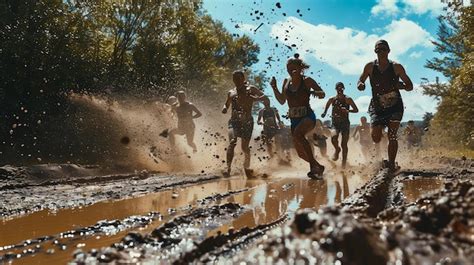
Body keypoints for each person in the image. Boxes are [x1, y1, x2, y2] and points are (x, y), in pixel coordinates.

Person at [357, 40, 413, 172]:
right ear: (375, 52)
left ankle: (391, 164)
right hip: (378, 107)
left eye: (383, 49)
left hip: (395, 105)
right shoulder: (370, 67)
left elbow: (410, 86)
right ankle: (382, 151)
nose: (381, 52)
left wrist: (402, 86)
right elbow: (361, 79)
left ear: (388, 51)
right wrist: (361, 84)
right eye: (378, 50)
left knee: (392, 135)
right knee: (375, 137)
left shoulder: (396, 67)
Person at [271, 54, 326, 178]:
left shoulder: (307, 80)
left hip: (308, 117)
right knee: (301, 154)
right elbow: (281, 100)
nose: (291, 70)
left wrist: (314, 92)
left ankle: (313, 167)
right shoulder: (286, 81)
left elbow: (322, 93)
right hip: (294, 120)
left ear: (300, 68)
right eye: (288, 68)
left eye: (294, 67)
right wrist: (274, 87)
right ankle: (318, 166)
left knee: (298, 134)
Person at [222, 70, 265, 177]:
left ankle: (247, 168)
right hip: (234, 121)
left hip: (247, 122)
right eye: (234, 78)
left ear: (243, 78)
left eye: (238, 78)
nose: (236, 80)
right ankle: (228, 168)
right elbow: (226, 104)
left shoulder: (251, 89)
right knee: (232, 142)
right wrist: (224, 109)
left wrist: (256, 98)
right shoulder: (231, 92)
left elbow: (264, 97)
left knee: (244, 147)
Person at [321, 82, 359, 167]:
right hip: (335, 123)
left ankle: (344, 163)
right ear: (336, 89)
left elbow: (356, 110)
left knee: (344, 144)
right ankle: (337, 150)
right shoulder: (332, 99)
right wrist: (324, 113)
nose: (340, 90)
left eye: (341, 88)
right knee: (333, 139)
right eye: (338, 88)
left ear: (343, 89)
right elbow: (327, 106)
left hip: (345, 123)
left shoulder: (348, 99)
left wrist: (347, 110)